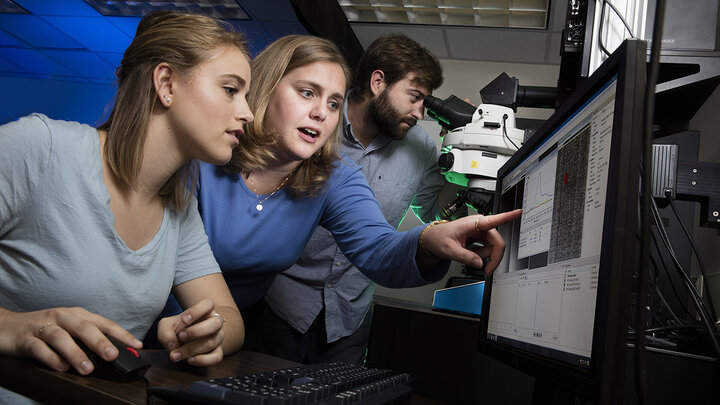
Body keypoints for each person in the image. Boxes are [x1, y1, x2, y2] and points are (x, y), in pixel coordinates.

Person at [191, 34, 521, 351]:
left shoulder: (338, 175)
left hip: (343, 314)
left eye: (333, 103)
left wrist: (431, 238)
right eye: (307, 93)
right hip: (267, 309)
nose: (321, 112)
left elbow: (381, 244)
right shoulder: (207, 155)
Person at [0, 11, 251, 403]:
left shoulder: (179, 209)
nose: (247, 113)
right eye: (231, 89)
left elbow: (228, 315)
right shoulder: (40, 147)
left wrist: (209, 329)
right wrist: (11, 326)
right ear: (166, 83)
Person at [262, 33, 463, 365]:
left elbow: (435, 212)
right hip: (279, 305)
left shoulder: (422, 148)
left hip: (348, 318)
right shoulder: (314, 125)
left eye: (425, 101)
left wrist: (460, 162)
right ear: (378, 82)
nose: (419, 112)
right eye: (414, 97)